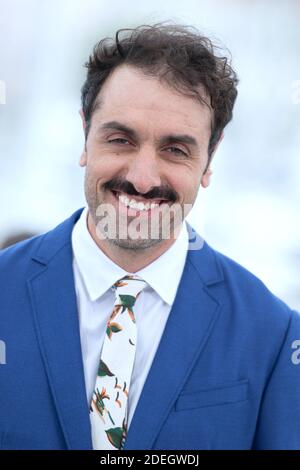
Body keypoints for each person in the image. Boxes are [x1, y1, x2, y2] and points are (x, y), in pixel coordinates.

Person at [1, 23, 300, 451]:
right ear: (85, 135)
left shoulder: (274, 338)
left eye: (175, 150)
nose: (142, 179)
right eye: (121, 139)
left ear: (209, 160)